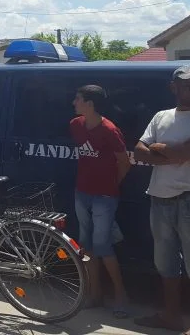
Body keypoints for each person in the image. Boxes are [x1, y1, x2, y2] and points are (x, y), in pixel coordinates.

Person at [134, 66, 190, 335]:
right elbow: (139, 151)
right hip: (159, 199)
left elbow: (186, 153)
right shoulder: (161, 116)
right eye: (188, 86)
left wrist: (159, 148)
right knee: (165, 265)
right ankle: (171, 317)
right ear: (174, 87)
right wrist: (173, 154)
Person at [69, 85, 131, 316]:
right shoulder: (76, 125)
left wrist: (111, 184)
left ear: (90, 104)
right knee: (86, 245)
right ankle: (95, 294)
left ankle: (121, 296)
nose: (74, 103)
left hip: (104, 197)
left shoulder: (109, 130)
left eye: (78, 99)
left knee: (103, 246)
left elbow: (124, 162)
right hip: (82, 192)